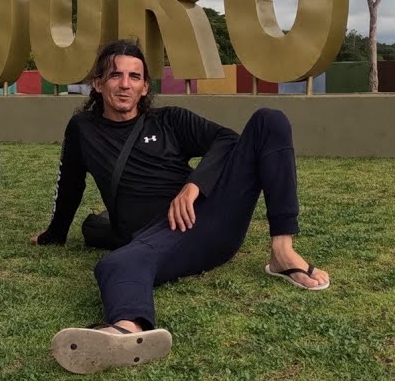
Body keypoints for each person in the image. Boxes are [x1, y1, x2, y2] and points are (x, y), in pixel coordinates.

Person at [30, 38, 330, 375]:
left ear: (145, 87)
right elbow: (70, 184)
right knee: (118, 263)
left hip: (213, 215)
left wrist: (194, 185)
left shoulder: (169, 121)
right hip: (163, 235)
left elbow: (226, 140)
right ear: (98, 84)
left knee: (269, 120)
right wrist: (54, 234)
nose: (125, 84)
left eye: (135, 76)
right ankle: (126, 331)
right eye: (115, 75)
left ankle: (282, 251)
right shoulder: (83, 130)